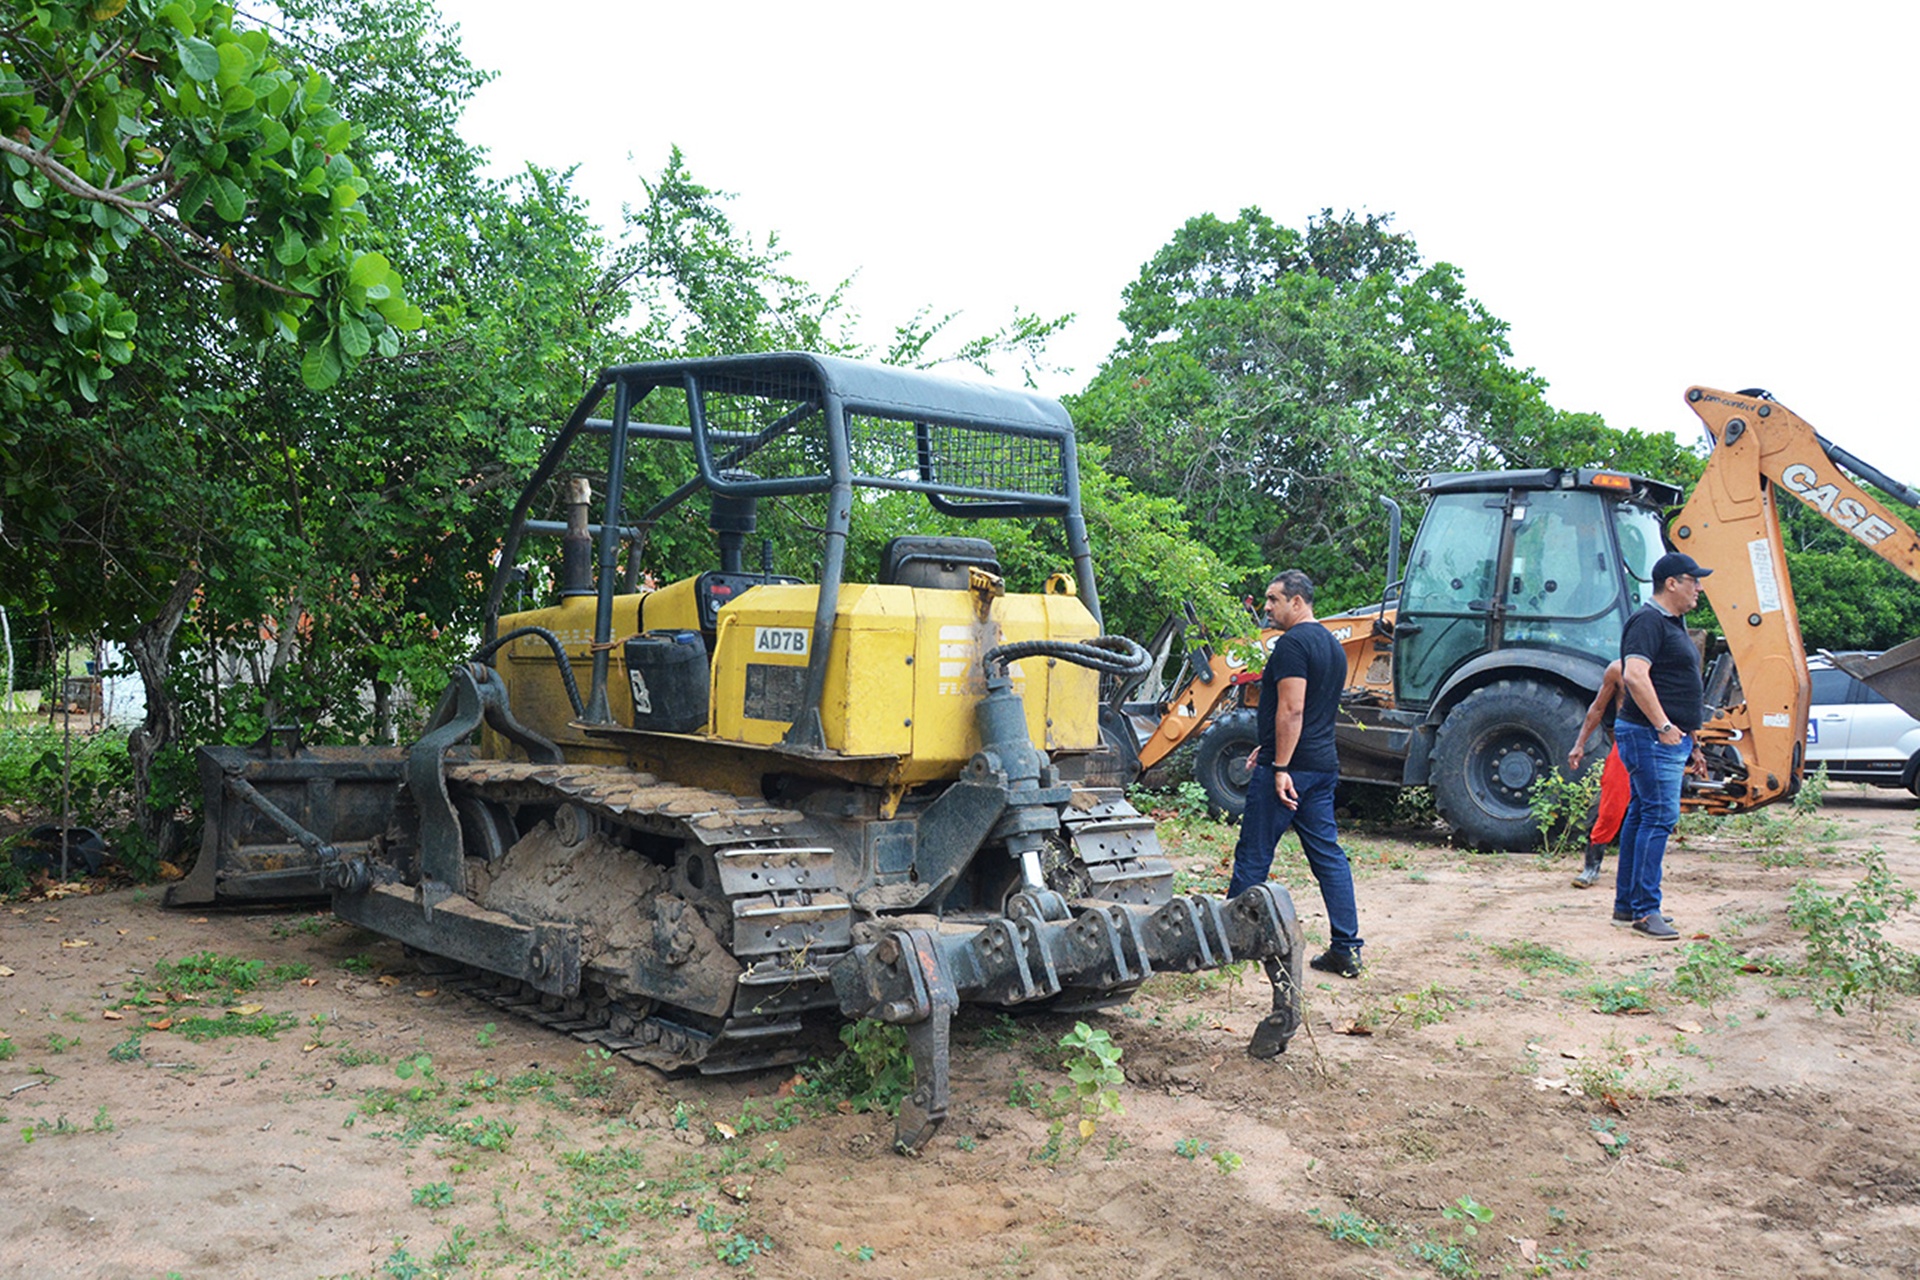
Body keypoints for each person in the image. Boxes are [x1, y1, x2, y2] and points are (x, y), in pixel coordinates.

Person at [1227, 570, 1365, 977]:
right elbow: (1314, 712)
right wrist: (1268, 745)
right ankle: (1346, 948)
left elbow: (1293, 709)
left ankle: (1230, 941)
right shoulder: (1331, 646)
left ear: (1297, 602)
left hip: (1290, 772)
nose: (1267, 607)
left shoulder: (1292, 645)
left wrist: (1280, 765)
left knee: (1253, 853)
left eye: (1274, 600)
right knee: (1329, 857)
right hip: (1321, 766)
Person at [1612, 551, 1712, 940]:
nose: (1699, 588)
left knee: (1641, 816)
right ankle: (1645, 911)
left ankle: (1627, 906)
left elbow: (1676, 683)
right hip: (1651, 736)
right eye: (1694, 580)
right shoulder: (1647, 621)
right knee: (1658, 818)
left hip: (1667, 736)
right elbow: (1635, 676)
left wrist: (1693, 738)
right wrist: (1665, 725)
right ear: (1672, 583)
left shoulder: (1672, 623)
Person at [1565, 661, 1630, 889]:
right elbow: (1598, 708)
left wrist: (1695, 747)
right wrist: (1579, 743)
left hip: (1657, 744)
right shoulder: (1618, 669)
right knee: (1611, 808)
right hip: (1626, 745)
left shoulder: (1667, 668)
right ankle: (1591, 867)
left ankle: (1641, 871)